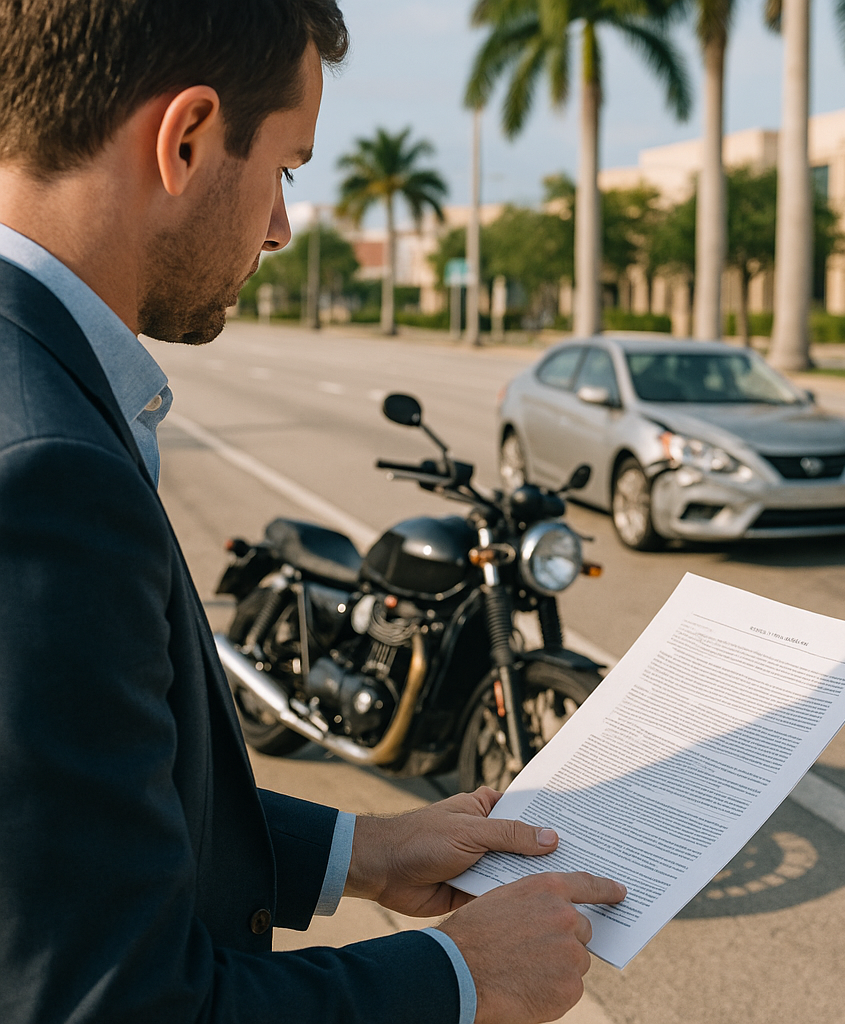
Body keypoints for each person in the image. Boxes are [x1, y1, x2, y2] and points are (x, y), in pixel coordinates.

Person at [0, 3, 626, 1023]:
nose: (282, 227)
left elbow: (61, 825)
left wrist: (363, 852)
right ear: (186, 139)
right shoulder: (45, 470)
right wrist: (462, 976)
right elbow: (106, 1002)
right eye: (287, 168)